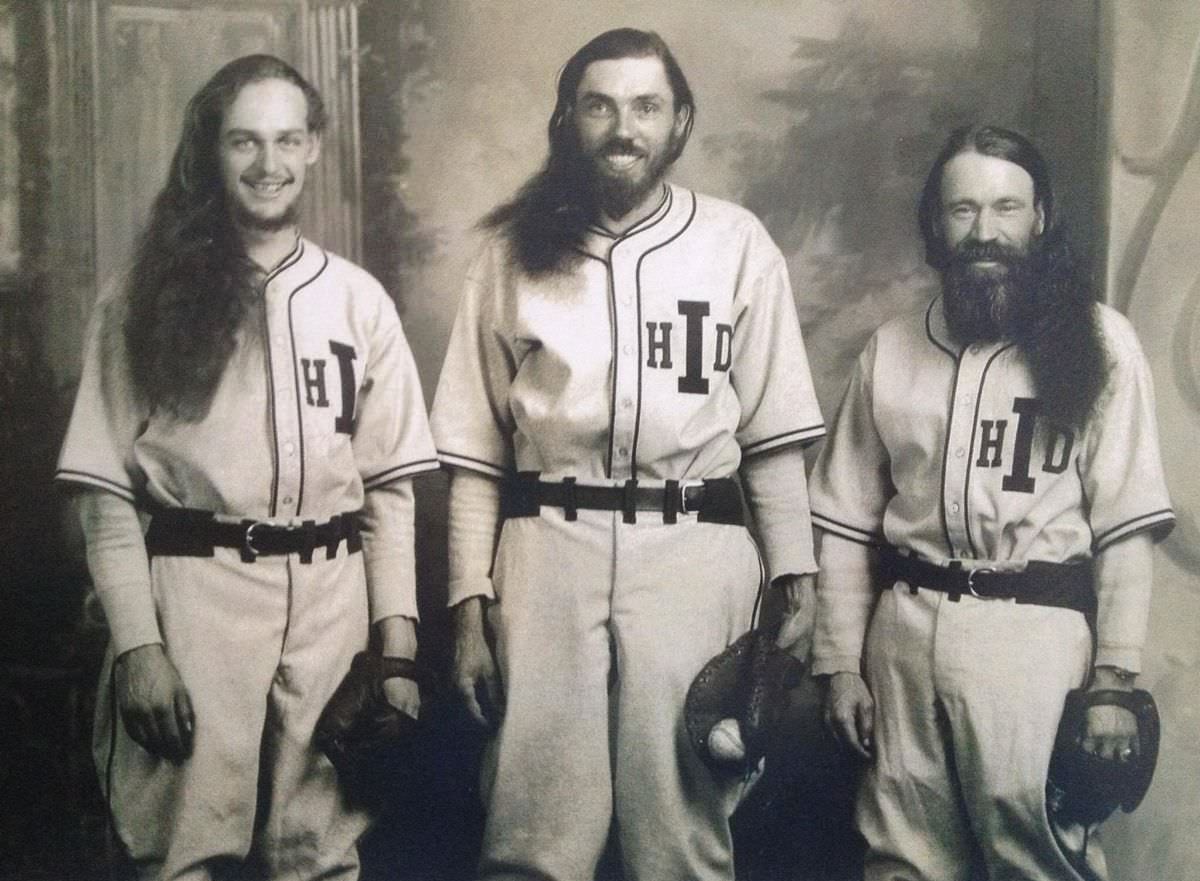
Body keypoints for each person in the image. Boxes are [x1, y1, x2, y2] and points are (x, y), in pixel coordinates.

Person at [429, 27, 824, 881]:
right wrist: (467, 605)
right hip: (546, 549)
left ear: (680, 122)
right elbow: (472, 454)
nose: (623, 127)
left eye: (646, 106)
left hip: (692, 547)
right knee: (530, 830)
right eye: (600, 105)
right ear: (566, 120)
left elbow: (770, 436)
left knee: (681, 833)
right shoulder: (509, 253)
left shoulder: (736, 243)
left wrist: (796, 572)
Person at [55, 55, 437, 880]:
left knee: (325, 851)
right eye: (243, 142)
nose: (267, 164)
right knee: (182, 848)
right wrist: (138, 647)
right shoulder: (142, 293)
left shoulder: (357, 299)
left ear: (312, 149)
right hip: (198, 588)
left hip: (333, 594)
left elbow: (389, 493)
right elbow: (105, 497)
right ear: (211, 152)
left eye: (286, 139)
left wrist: (397, 650)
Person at [810, 124, 1175, 881]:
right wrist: (841, 661)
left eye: (1006, 209)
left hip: (1033, 635)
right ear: (936, 225)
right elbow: (842, 521)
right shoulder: (892, 345)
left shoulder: (1101, 343)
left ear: (1039, 219)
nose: (985, 231)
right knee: (900, 857)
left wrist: (1114, 678)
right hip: (904, 632)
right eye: (964, 210)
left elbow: (1126, 529)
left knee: (1035, 856)